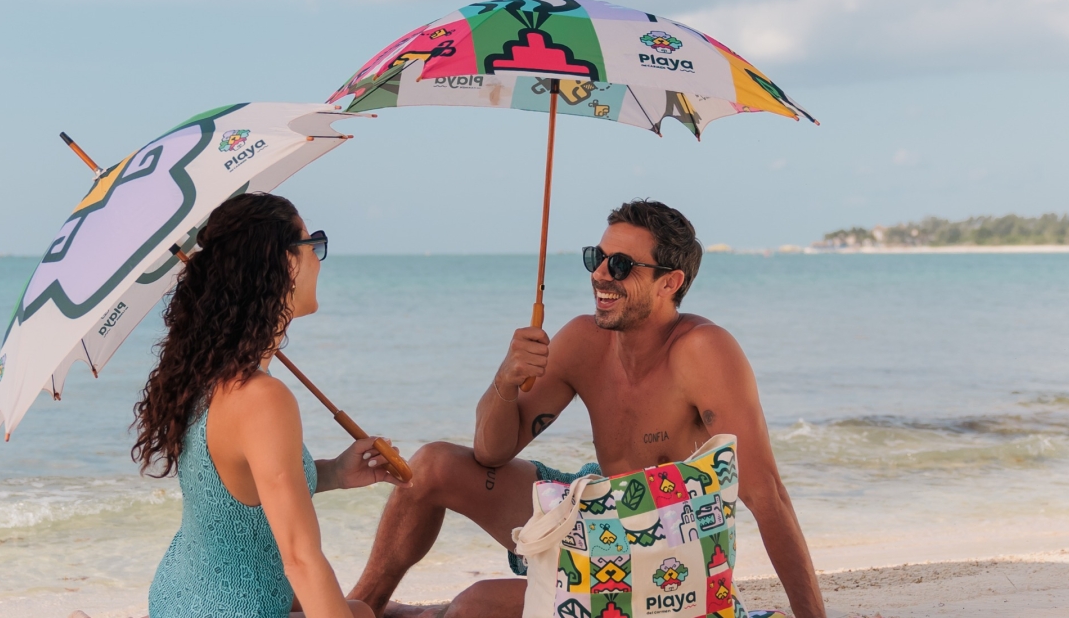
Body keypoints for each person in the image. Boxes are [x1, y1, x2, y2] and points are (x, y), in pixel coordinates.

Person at [347, 200, 826, 618]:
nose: (600, 274)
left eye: (620, 265)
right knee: (430, 466)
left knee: (475, 606)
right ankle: (356, 607)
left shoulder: (703, 351)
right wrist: (505, 380)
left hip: (661, 557)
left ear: (669, 282)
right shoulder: (583, 340)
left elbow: (767, 496)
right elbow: (490, 453)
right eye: (596, 258)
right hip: (591, 509)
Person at [134, 192, 406, 618]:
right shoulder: (262, 398)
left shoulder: (204, 373)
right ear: (285, 262)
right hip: (226, 611)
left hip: (178, 596)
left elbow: (236, 493)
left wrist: (335, 472)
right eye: (312, 244)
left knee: (358, 611)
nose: (318, 258)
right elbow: (301, 559)